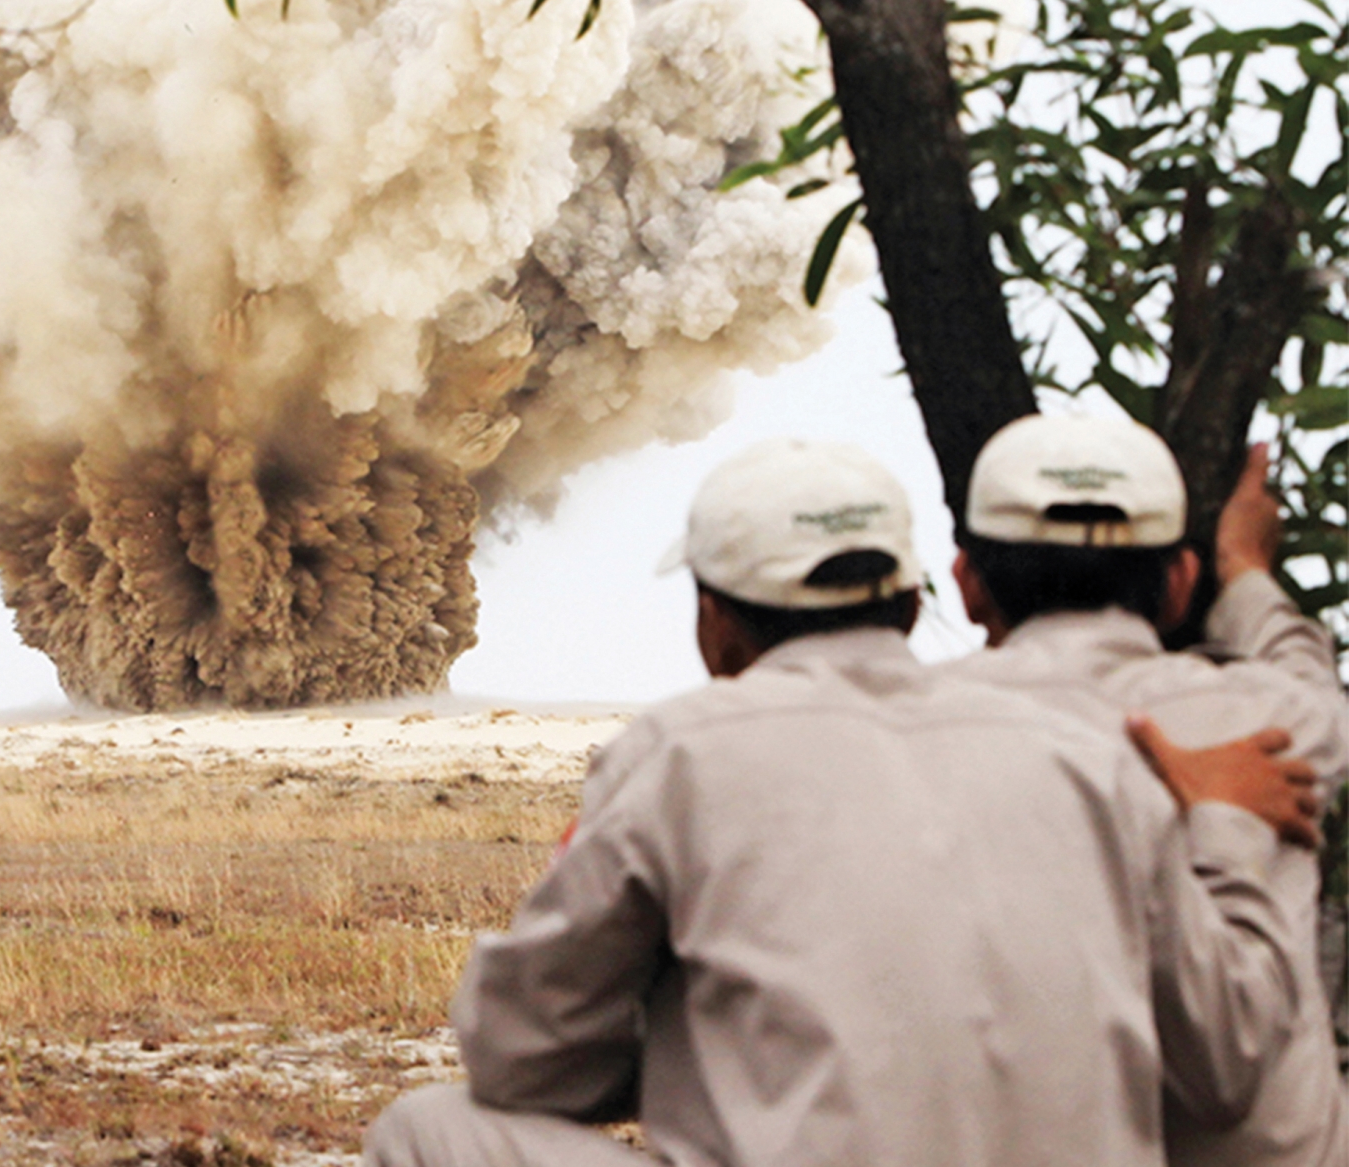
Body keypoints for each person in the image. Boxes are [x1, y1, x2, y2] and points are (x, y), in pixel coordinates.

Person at [364, 437, 1313, 1167]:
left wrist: (701, 1028)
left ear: (712, 618)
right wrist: (1221, 827)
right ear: (912, 606)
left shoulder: (683, 751)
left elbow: (520, 1059)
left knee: (430, 1126)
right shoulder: (1089, 757)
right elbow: (1227, 1065)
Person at [947, 415, 1349, 1167]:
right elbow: (1307, 670)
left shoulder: (906, 742)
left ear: (967, 582)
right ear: (1178, 583)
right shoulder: (1276, 719)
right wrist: (1248, 566)